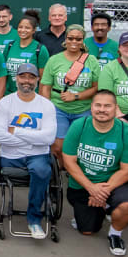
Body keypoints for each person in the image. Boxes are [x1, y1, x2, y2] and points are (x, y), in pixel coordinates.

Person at [62, 89, 128, 253]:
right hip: (83, 183)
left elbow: (127, 170)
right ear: (91, 107)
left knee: (126, 207)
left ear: (115, 108)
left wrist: (102, 191)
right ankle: (100, 210)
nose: (102, 109)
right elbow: (69, 161)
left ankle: (115, 234)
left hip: (113, 183)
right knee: (87, 230)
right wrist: (91, 188)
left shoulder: (127, 132)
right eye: (98, 105)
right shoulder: (79, 126)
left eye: (107, 106)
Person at [0, 63, 58, 238]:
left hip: (37, 156)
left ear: (37, 80)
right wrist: (33, 138)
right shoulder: (5, 103)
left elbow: (49, 138)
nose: (26, 81)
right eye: (23, 76)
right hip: (10, 156)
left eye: (31, 77)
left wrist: (16, 131)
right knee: (37, 165)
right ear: (16, 79)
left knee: (42, 170)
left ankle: (34, 219)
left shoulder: (46, 105)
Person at [39, 24, 100, 157]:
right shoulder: (54, 60)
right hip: (59, 109)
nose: (74, 42)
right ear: (65, 39)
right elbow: (45, 86)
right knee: (58, 147)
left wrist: (76, 96)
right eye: (70, 38)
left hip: (83, 110)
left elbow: (97, 88)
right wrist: (47, 109)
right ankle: (62, 173)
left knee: (80, 146)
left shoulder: (92, 61)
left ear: (83, 40)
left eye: (78, 39)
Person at [2, 15, 51, 83]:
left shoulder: (40, 49)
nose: (23, 30)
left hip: (30, 92)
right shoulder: (10, 46)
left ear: (34, 30)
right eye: (20, 27)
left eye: (27, 28)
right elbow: (3, 70)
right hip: (9, 92)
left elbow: (43, 79)